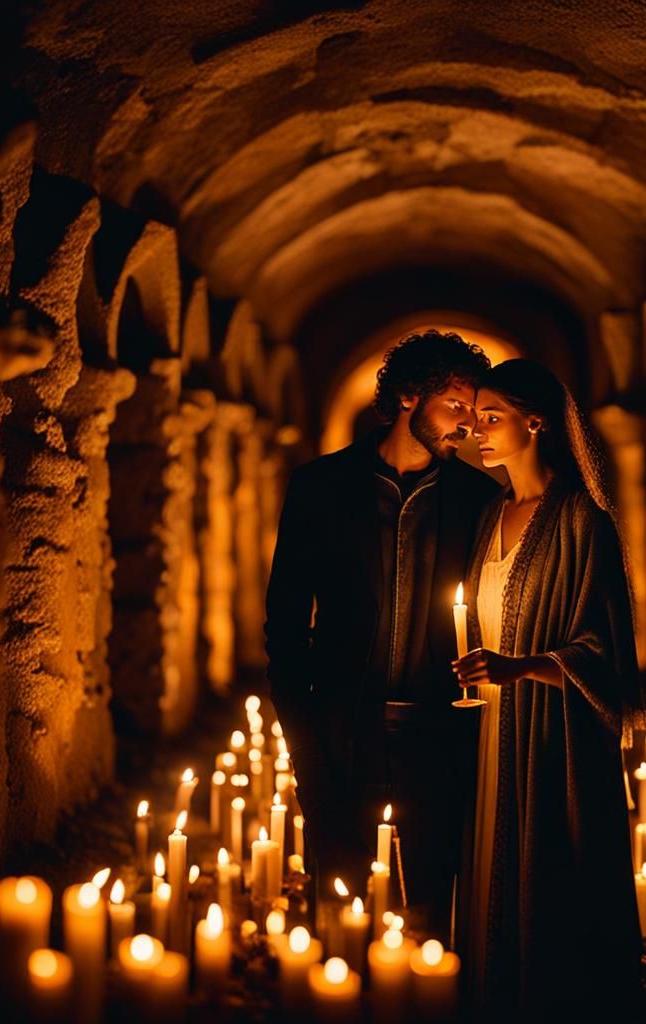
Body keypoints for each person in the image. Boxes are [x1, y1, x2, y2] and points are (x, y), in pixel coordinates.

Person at [265, 329, 499, 937]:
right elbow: (286, 626)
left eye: (474, 415)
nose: (466, 427)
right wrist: (303, 734)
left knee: (429, 918)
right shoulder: (319, 488)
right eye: (455, 407)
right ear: (406, 397)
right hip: (343, 736)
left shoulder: (480, 500)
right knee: (340, 915)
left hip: (440, 739)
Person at [452, 358, 646, 1010]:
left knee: (545, 879)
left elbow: (603, 652)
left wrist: (520, 667)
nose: (478, 430)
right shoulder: (492, 515)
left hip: (552, 740)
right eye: (476, 418)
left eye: (492, 416)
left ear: (535, 420)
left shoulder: (580, 520)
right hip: (491, 733)